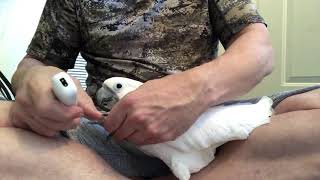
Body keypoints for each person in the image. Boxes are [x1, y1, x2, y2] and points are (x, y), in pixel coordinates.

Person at [2, 0, 320, 179]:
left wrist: (191, 91)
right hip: (103, 134)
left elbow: (259, 52)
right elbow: (34, 64)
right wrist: (34, 83)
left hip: (204, 123)